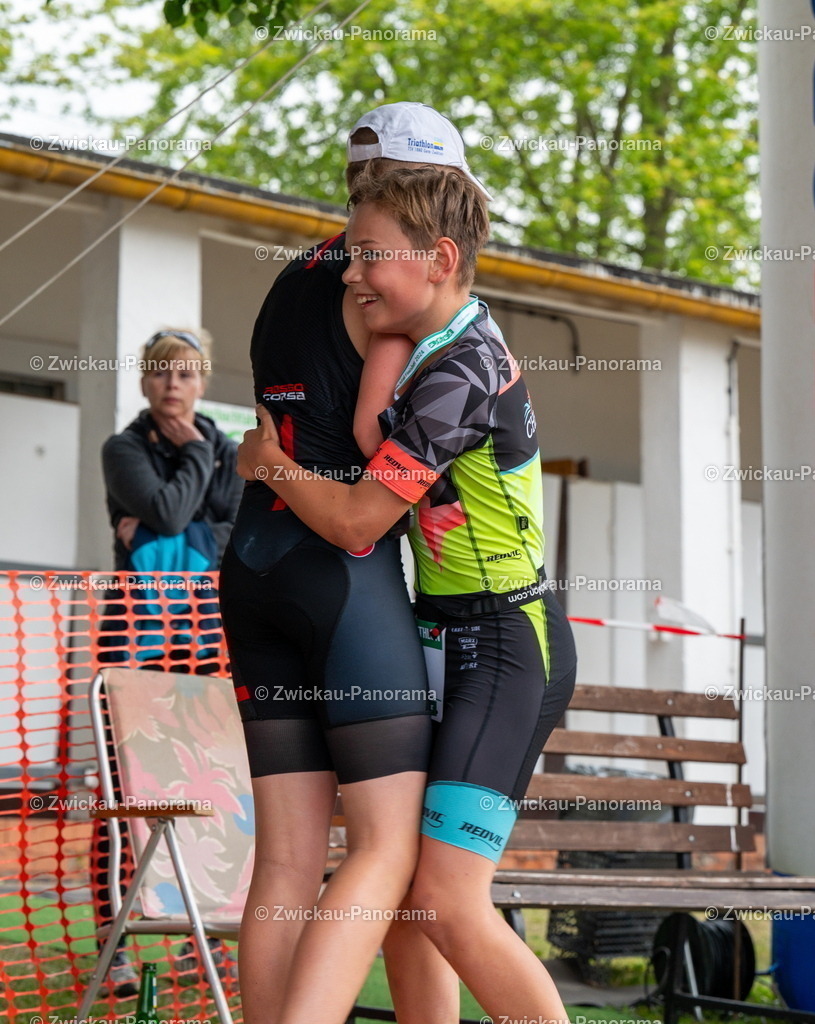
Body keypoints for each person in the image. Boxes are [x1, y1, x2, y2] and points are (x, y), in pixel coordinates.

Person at [236, 165, 577, 1024]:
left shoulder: (464, 370)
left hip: (507, 642)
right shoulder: (434, 339)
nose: (347, 275)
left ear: (441, 257)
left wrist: (273, 466)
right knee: (406, 914)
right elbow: (362, 429)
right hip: (448, 633)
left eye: (368, 258)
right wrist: (390, 308)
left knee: (447, 900)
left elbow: (356, 523)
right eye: (349, 256)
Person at [218, 103, 494, 1024]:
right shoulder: (390, 294)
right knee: (391, 848)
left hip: (255, 563)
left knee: (288, 862)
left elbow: (273, 419)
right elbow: (380, 460)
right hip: (339, 563)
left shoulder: (299, 272)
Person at [95, 328, 242, 995]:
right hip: (134, 638)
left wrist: (165, 526)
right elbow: (169, 506)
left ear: (203, 381)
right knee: (123, 793)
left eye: (184, 374)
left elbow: (235, 534)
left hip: (203, 641)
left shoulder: (230, 451)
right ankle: (114, 939)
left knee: (201, 787)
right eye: (159, 374)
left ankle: (199, 933)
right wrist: (191, 471)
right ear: (145, 382)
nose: (171, 385)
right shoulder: (122, 448)